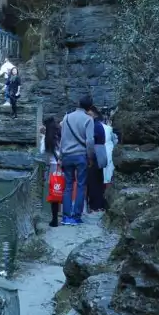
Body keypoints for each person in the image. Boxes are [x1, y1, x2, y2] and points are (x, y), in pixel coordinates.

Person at [58, 93, 96, 224]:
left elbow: (62, 139)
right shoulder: (88, 119)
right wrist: (90, 157)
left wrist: (60, 156)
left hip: (67, 156)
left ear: (78, 103)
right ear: (89, 107)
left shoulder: (67, 117)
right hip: (81, 156)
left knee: (67, 186)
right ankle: (76, 217)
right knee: (80, 186)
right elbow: (90, 141)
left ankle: (66, 217)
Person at [86, 106, 107, 212]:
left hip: (95, 157)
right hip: (97, 156)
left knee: (94, 181)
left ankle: (96, 205)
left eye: (89, 114)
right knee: (96, 181)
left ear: (94, 114)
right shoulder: (97, 125)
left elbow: (91, 141)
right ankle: (96, 204)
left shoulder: (96, 126)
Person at [43, 115, 61, 227]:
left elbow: (42, 152)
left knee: (54, 193)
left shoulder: (47, 139)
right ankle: (66, 214)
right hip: (62, 165)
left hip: (53, 168)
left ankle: (55, 219)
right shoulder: (60, 136)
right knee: (64, 189)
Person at [103, 111, 118, 202]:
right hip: (109, 152)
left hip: (101, 154)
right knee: (108, 176)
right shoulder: (109, 129)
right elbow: (115, 141)